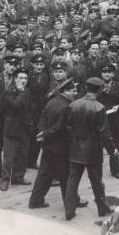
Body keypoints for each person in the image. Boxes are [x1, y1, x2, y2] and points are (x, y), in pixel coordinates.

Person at [64, 77, 116, 221]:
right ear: (99, 90)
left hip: (75, 148)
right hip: (93, 150)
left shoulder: (73, 104)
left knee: (73, 180)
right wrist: (112, 150)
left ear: (87, 88)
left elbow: (67, 126)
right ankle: (102, 207)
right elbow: (104, 133)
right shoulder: (99, 108)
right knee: (96, 181)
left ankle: (69, 210)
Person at [28, 78, 82, 209]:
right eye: (73, 90)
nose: (76, 93)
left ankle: (35, 201)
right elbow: (59, 127)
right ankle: (71, 202)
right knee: (66, 176)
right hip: (61, 147)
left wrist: (42, 133)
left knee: (44, 175)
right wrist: (44, 134)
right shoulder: (67, 106)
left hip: (48, 146)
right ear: (66, 91)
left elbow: (42, 119)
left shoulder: (51, 102)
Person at [0, 67, 34, 190]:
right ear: (15, 79)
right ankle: (4, 180)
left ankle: (18, 177)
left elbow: (30, 108)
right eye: (20, 78)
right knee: (8, 157)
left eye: (25, 78)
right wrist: (20, 92)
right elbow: (15, 105)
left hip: (25, 128)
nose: (23, 80)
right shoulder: (9, 91)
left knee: (22, 155)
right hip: (12, 128)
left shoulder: (27, 91)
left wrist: (30, 125)